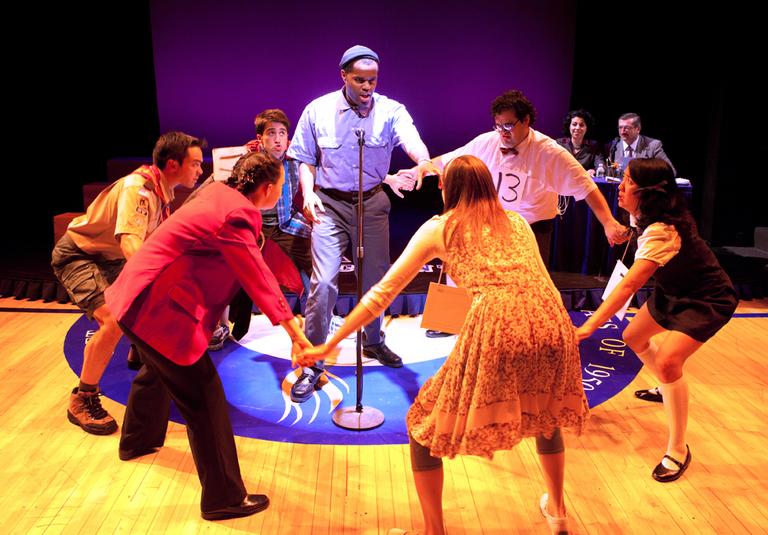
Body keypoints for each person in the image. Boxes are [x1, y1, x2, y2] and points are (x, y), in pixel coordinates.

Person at [302, 155, 589, 535]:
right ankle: (558, 513)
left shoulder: (440, 227)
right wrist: (566, 333)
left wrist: (330, 343)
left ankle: (434, 531)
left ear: (445, 189)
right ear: (489, 185)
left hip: (500, 324)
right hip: (552, 320)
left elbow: (381, 294)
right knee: (546, 413)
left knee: (422, 428)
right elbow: (540, 282)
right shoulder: (518, 222)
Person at [104, 151, 314, 520]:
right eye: (281, 188)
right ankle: (223, 498)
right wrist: (295, 332)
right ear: (267, 190)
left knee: (156, 371)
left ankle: (136, 440)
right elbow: (256, 277)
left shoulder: (216, 192)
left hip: (134, 299)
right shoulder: (238, 214)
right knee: (205, 402)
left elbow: (249, 253)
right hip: (159, 312)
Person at [286, 44, 437, 403]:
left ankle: (373, 341)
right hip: (330, 204)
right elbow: (304, 159)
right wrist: (307, 192)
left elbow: (411, 140)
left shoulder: (390, 110)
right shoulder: (318, 110)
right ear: (343, 77)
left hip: (371, 202)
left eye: (373, 80)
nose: (367, 86)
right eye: (359, 80)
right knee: (323, 283)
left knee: (376, 280)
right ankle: (313, 361)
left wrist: (424, 160)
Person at [575, 158, 736, 482]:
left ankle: (678, 449)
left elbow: (631, 284)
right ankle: (667, 388)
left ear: (648, 192)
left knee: (667, 362)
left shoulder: (664, 230)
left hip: (705, 298)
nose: (619, 186)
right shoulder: (646, 215)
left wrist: (590, 326)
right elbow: (639, 236)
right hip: (673, 290)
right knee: (633, 337)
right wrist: (623, 231)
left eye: (628, 181)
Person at [52, 131, 204, 435]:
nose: (200, 170)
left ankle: (139, 351)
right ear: (173, 164)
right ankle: (83, 398)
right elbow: (131, 246)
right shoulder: (138, 189)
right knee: (112, 320)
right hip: (81, 255)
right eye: (196, 164)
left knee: (149, 308)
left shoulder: (163, 190)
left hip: (108, 257)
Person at [418, 90, 627, 266]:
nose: (502, 132)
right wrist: (422, 166)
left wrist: (608, 222)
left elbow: (586, 186)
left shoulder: (549, 152)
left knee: (529, 289)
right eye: (498, 125)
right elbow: (449, 159)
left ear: (526, 120)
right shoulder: (487, 142)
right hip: (492, 225)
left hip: (533, 229)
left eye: (508, 125)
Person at [606, 113, 676, 176]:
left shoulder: (653, 146)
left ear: (638, 129)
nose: (622, 131)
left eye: (627, 128)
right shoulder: (613, 146)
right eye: (620, 127)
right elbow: (607, 173)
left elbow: (670, 171)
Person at [556, 109, 604, 175]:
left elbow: (600, 165)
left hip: (583, 182)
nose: (577, 128)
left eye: (581, 125)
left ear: (587, 128)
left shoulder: (594, 147)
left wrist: (594, 170)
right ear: (569, 126)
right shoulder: (559, 144)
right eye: (574, 124)